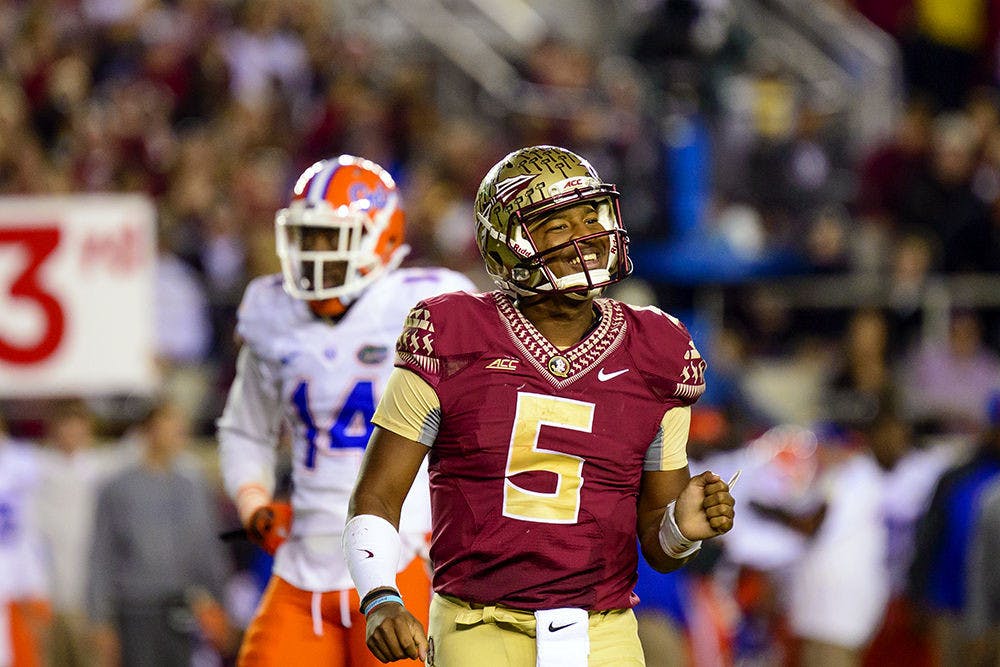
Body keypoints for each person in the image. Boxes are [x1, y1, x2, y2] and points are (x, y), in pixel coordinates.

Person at [343, 145, 736, 666]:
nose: (586, 238)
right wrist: (380, 598)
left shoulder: (657, 349)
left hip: (604, 631)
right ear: (507, 245)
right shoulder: (452, 334)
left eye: (589, 217)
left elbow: (659, 549)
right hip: (479, 624)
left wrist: (682, 528)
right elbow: (377, 492)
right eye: (558, 227)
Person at [216, 154, 476, 666]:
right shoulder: (273, 313)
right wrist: (253, 502)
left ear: (377, 236)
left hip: (401, 559)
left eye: (329, 236)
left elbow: (479, 426)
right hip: (301, 566)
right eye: (307, 236)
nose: (313, 251)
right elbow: (246, 429)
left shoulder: (427, 304)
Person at [87, 400, 233, 667]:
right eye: (170, 423)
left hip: (182, 604)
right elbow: (101, 555)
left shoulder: (192, 487)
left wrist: (220, 603)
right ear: (148, 430)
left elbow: (207, 549)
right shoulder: (119, 488)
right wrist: (99, 617)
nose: (179, 431)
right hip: (135, 608)